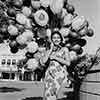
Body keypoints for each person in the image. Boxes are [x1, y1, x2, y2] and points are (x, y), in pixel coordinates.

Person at [40, 31, 71, 100]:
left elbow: (68, 63)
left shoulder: (64, 49)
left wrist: (55, 57)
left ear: (61, 39)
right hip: (49, 74)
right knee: (47, 95)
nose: (56, 39)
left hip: (58, 74)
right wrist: (51, 49)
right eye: (54, 38)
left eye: (58, 38)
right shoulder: (49, 50)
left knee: (51, 94)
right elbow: (44, 61)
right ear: (51, 40)